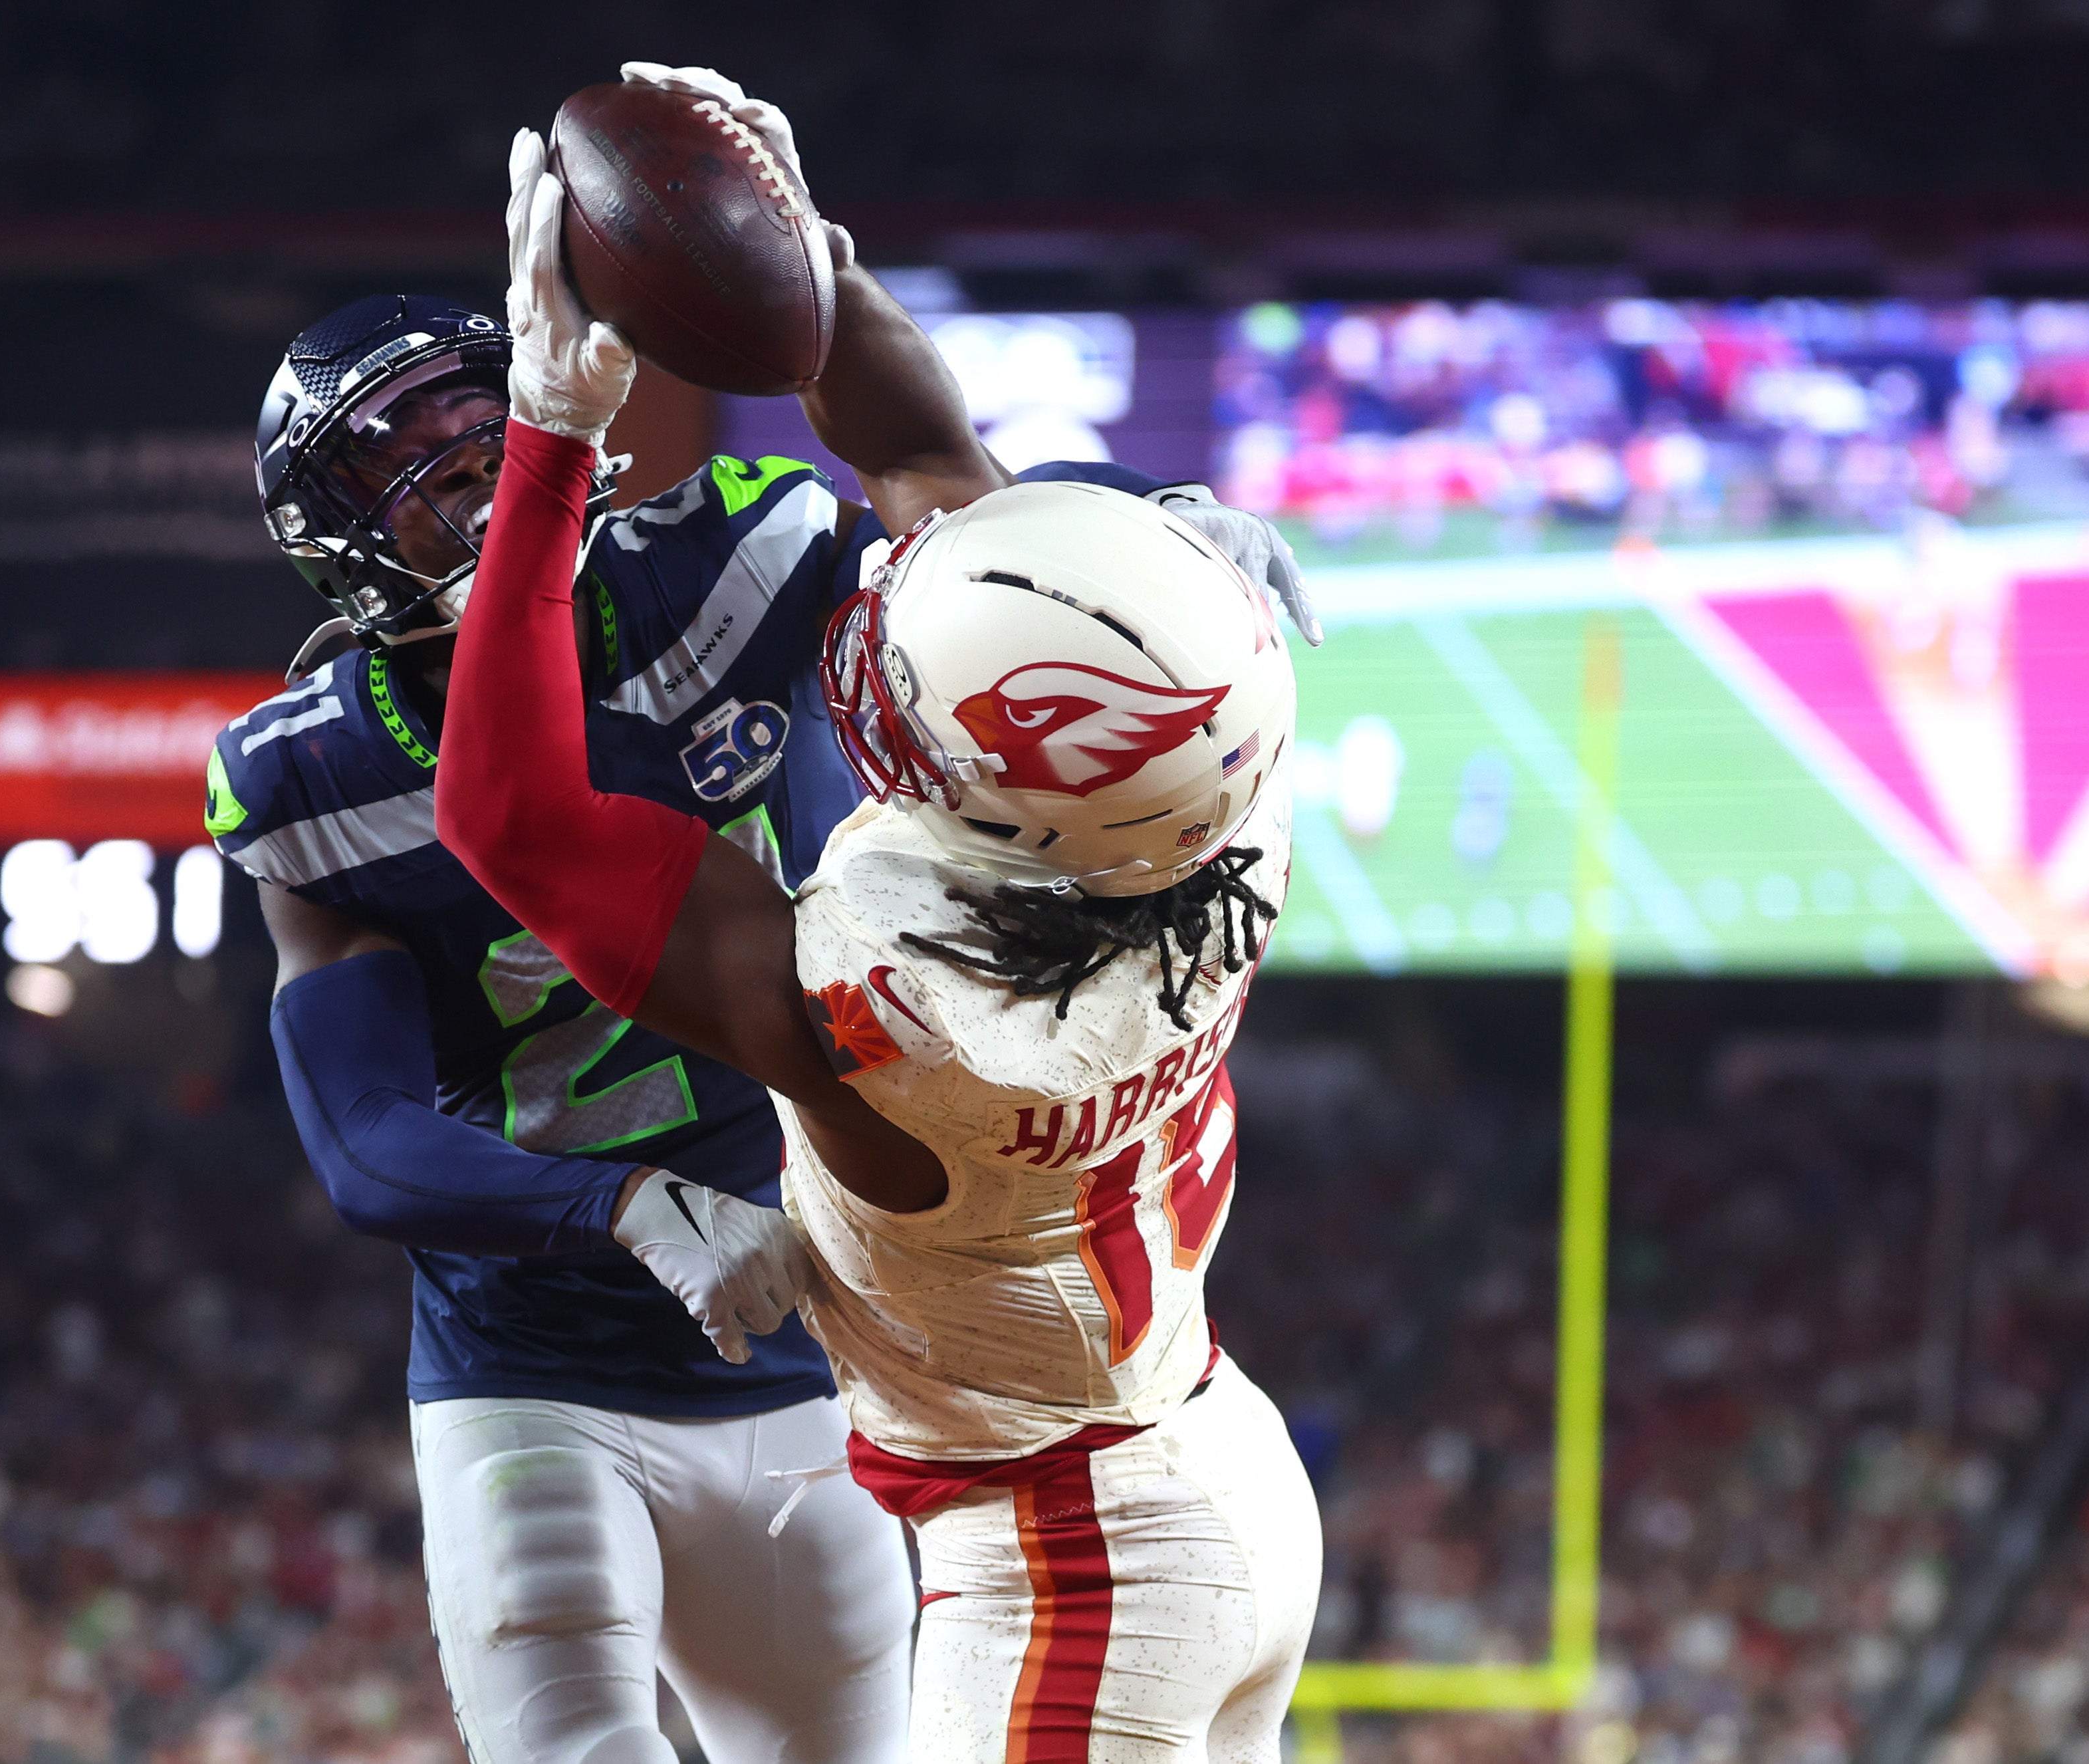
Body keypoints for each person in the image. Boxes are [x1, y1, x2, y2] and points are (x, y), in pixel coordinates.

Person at [208, 62, 1313, 1764]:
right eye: (408, 466)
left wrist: (559, 434)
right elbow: (963, 499)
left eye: (463, 433)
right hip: (673, 1361)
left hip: (914, 1418)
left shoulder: (875, 993)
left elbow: (515, 815)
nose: (870, 668)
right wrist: (1153, 565)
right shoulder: (1226, 828)